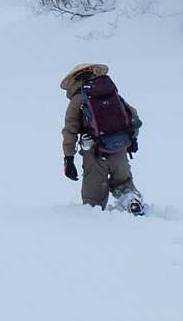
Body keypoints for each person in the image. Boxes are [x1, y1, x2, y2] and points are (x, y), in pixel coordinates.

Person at [61, 63, 143, 214]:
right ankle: (131, 200)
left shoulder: (78, 99)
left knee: (93, 200)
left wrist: (68, 157)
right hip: (120, 147)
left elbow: (70, 130)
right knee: (123, 183)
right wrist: (132, 140)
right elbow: (133, 116)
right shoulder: (110, 92)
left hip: (94, 152)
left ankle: (98, 224)